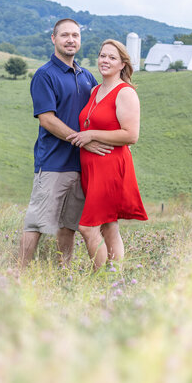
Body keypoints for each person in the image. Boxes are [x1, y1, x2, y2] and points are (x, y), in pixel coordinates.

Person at [19, 19, 113, 269]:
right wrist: (82, 141)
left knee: (68, 226)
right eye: (65, 35)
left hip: (82, 165)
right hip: (53, 163)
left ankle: (64, 273)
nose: (71, 40)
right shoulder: (44, 75)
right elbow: (47, 120)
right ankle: (17, 273)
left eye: (75, 35)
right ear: (53, 39)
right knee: (36, 223)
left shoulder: (86, 76)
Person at [67, 39, 148, 270]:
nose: (105, 61)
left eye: (112, 58)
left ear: (123, 63)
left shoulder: (125, 93)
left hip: (110, 167)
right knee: (108, 225)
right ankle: (115, 277)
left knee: (87, 226)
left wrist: (91, 134)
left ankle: (100, 278)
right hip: (92, 168)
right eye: (103, 55)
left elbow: (131, 135)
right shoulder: (95, 90)